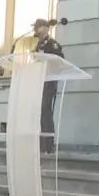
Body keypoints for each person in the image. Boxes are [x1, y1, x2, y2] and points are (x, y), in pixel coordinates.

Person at [33, 18, 65, 154]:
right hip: (39, 80)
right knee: (40, 112)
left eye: (38, 27)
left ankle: (48, 145)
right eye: (35, 28)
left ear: (46, 28)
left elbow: (60, 61)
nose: (36, 30)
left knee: (46, 110)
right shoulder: (36, 44)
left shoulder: (53, 44)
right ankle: (41, 144)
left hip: (49, 81)